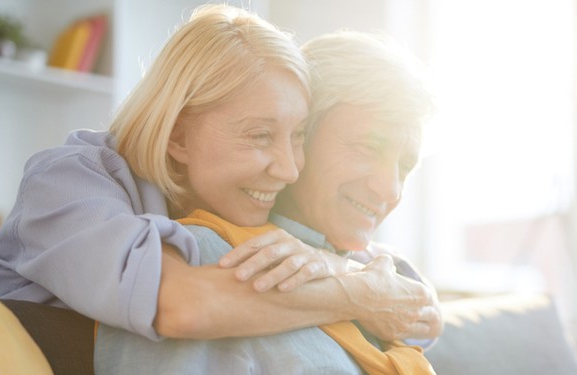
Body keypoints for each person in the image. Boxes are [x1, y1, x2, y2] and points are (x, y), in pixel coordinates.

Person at [0, 4, 437, 345]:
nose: (288, 168)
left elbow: (418, 309)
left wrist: (344, 269)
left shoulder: (250, 203)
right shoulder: (69, 181)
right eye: (261, 135)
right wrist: (362, 294)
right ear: (177, 136)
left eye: (296, 137)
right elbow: (182, 307)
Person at [95, 30, 439, 374]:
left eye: (405, 167)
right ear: (298, 135)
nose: (390, 189)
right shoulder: (201, 260)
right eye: (367, 148)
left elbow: (420, 310)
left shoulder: (383, 289)